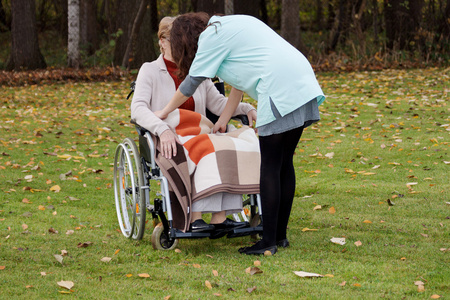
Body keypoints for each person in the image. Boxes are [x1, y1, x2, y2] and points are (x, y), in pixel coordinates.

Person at [154, 13, 326, 255]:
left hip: (278, 86)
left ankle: (267, 242)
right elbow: (239, 82)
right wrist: (223, 120)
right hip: (301, 78)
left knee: (270, 165)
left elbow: (190, 83)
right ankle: (279, 236)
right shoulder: (231, 25)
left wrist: (164, 110)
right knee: (284, 163)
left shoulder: (210, 39)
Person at [131, 16, 257, 237]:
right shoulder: (149, 70)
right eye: (174, 42)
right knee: (203, 148)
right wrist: (163, 129)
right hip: (169, 133)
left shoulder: (197, 69)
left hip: (200, 130)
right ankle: (196, 216)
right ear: (161, 41)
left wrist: (246, 108)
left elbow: (217, 104)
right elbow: (138, 108)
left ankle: (220, 217)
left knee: (230, 145)